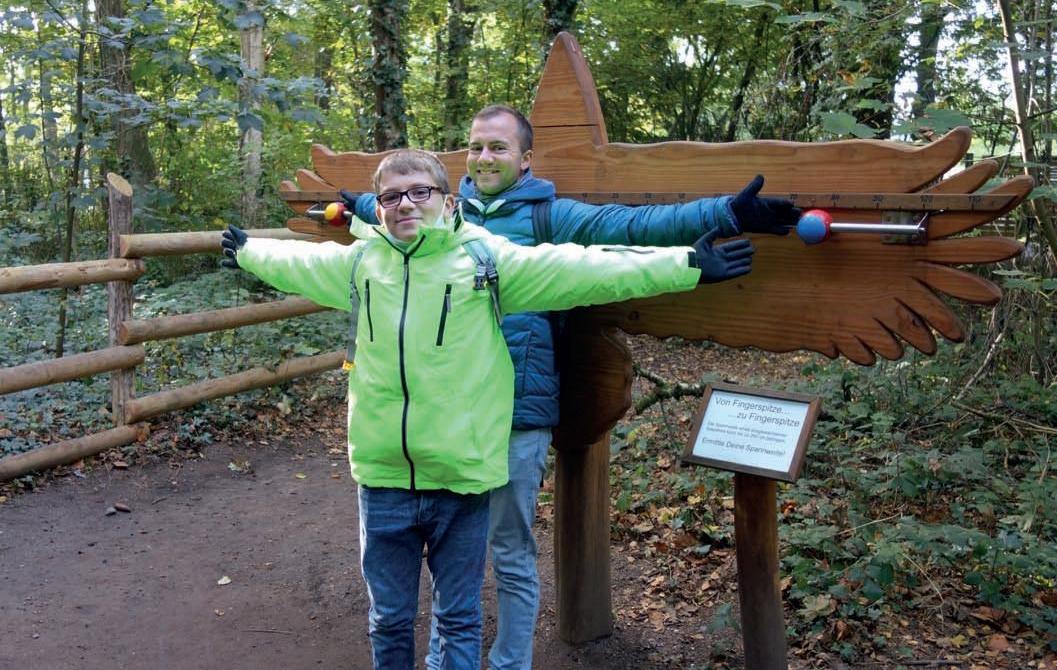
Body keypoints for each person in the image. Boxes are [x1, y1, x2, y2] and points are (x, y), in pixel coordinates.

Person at [221, 149, 761, 670]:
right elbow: (300, 260)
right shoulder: (361, 263)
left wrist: (686, 263)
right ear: (378, 207)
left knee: (458, 618)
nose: (405, 204)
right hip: (383, 477)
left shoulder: (485, 261)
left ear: (448, 201)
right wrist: (247, 251)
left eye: (419, 192)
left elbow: (584, 268)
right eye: (391, 196)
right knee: (388, 620)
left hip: (460, 478)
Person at [340, 107, 800, 670]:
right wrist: (356, 204)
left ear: (525, 159)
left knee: (510, 550)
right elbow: (385, 217)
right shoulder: (436, 211)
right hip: (449, 423)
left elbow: (628, 226)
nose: (484, 157)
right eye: (476, 146)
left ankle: (509, 663)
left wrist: (725, 213)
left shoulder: (548, 216)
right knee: (447, 554)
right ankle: (443, 661)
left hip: (518, 410)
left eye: (499, 148)